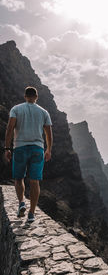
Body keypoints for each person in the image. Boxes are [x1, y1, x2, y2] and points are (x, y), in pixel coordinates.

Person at [4, 86, 53, 222]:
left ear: (25, 96)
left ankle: (21, 203)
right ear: (36, 97)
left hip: (20, 147)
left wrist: (7, 148)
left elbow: (10, 128)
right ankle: (31, 214)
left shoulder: (16, 109)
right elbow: (48, 133)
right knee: (34, 181)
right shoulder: (44, 112)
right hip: (37, 149)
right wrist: (48, 149)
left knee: (19, 179)